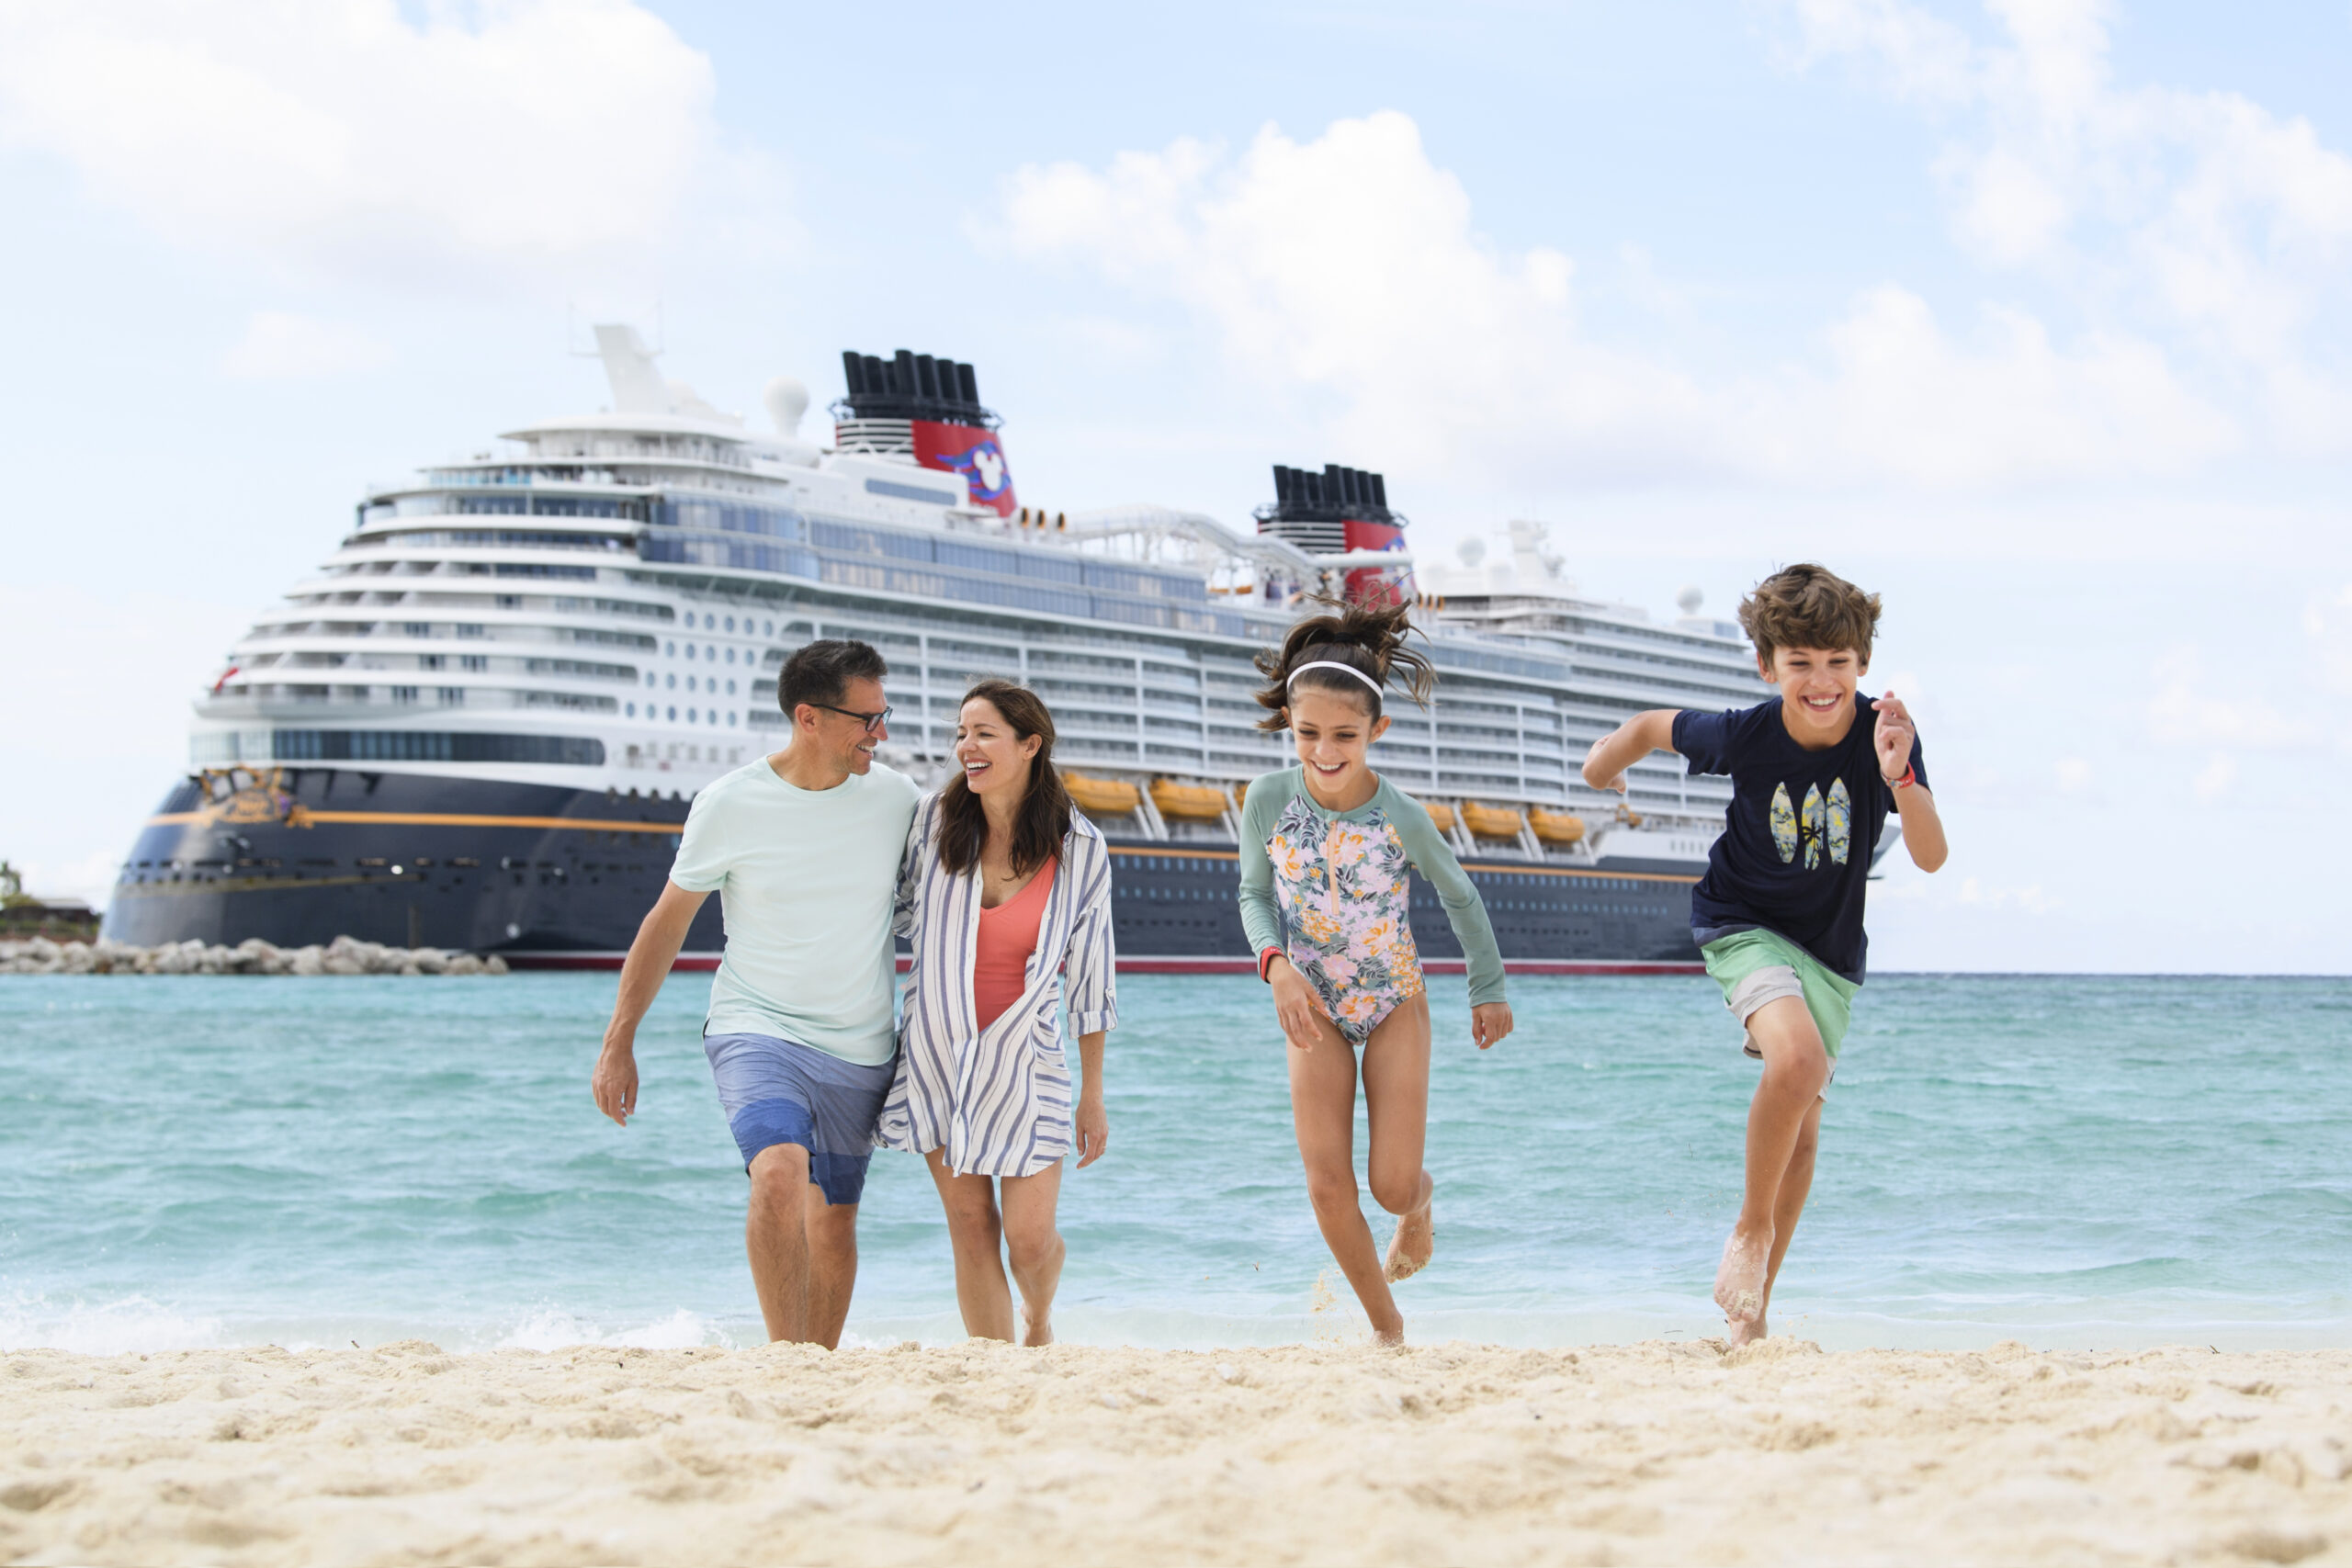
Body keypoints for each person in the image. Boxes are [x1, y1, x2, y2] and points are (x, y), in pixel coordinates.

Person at [1579, 563, 1948, 1347]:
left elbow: (1930, 855)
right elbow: (1652, 725)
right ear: (1767, 666)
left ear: (1863, 662)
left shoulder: (1884, 734)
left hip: (1832, 954)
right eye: (1801, 664)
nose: (1821, 681)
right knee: (1797, 1065)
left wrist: (1900, 774)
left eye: (1838, 663)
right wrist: (1601, 764)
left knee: (1804, 1130)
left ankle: (1752, 1319)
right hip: (1740, 922)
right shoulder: (1747, 732)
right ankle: (1750, 1228)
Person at [591, 639, 920, 1348]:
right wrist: (619, 1040)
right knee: (777, 1173)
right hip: (755, 1026)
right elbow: (666, 922)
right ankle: (782, 1358)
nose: (881, 733)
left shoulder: (898, 799)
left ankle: (815, 1366)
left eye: (881, 714)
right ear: (809, 717)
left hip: (861, 1044)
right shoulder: (730, 802)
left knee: (832, 1223)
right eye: (867, 718)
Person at [1236, 597, 1513, 1348]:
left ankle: (1418, 1209)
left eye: (1345, 736)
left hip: (1393, 999)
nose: (1325, 751)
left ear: (1376, 731)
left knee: (1391, 1184)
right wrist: (1278, 967)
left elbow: (1460, 894)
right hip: (1311, 1005)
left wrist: (1485, 988)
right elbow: (1254, 895)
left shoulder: (1401, 816)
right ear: (1290, 727)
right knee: (1328, 1183)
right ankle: (1387, 1327)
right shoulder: (1265, 799)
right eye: (1309, 734)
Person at [878, 680, 1115, 1347]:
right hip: (935, 1056)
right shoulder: (930, 822)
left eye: (983, 733)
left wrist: (1092, 1095)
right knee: (970, 1225)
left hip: (1027, 1061)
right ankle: (994, 1367)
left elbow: (1092, 980)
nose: (966, 747)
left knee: (1029, 1242)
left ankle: (1038, 1315)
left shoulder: (1081, 848)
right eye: (961, 733)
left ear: (1030, 743)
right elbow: (885, 911)